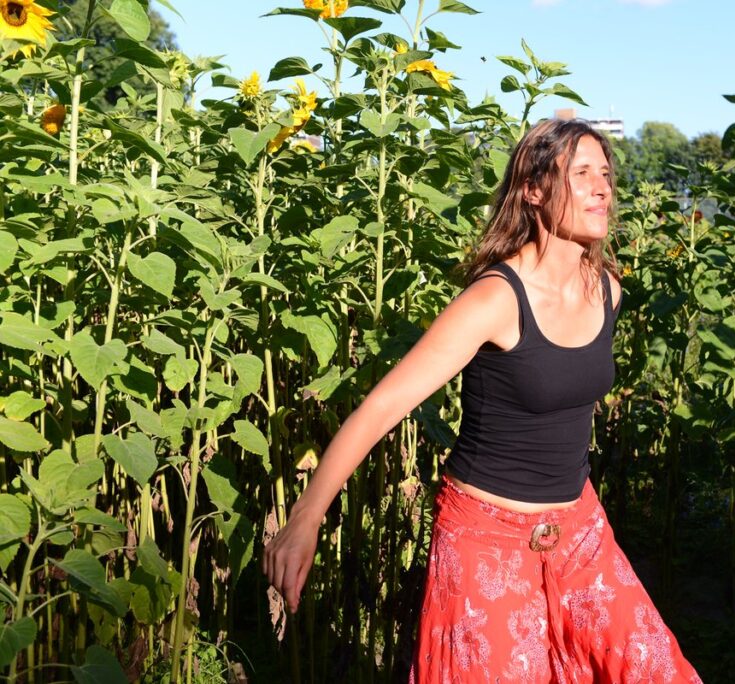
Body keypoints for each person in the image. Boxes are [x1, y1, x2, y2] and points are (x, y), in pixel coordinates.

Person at [262, 118, 703, 683]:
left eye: (606, 173)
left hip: (580, 534)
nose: (603, 188)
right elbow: (382, 406)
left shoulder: (607, 290)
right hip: (485, 542)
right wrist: (305, 517)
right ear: (533, 190)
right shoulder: (495, 298)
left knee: (654, 669)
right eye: (582, 174)